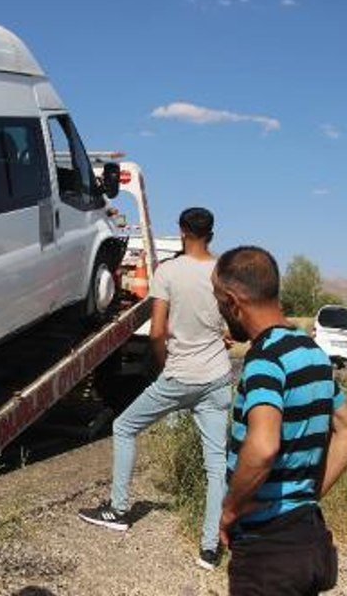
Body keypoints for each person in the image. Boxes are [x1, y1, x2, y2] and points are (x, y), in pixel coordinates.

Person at [78, 207, 233, 570]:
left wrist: (165, 367)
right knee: (216, 463)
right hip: (217, 377)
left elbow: (158, 331)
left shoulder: (170, 271)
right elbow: (231, 322)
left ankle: (118, 510)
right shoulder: (223, 272)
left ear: (182, 231)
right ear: (211, 233)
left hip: (180, 375)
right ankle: (209, 549)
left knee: (125, 426)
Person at [212, 246, 347, 596]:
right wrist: (308, 495)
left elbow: (263, 447)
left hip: (268, 553)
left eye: (220, 304)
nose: (221, 314)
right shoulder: (312, 353)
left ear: (234, 302)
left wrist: (230, 510)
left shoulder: (265, 359)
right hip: (307, 537)